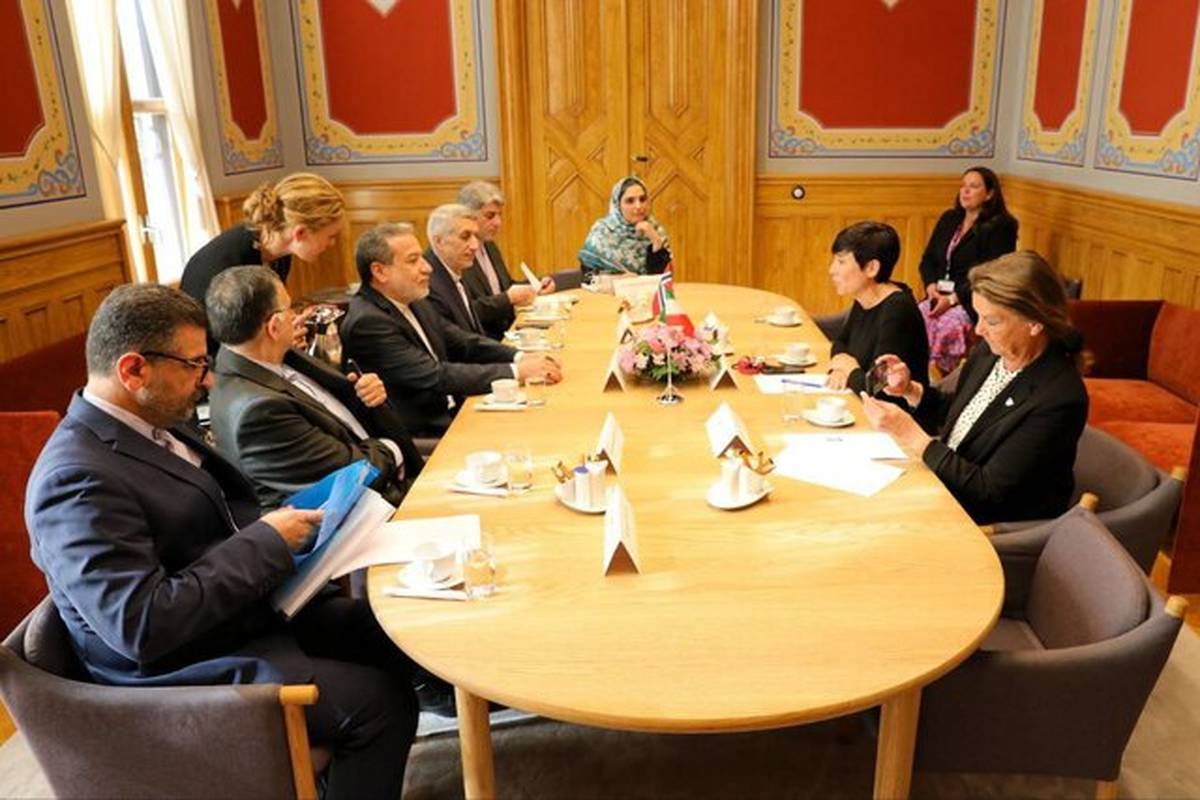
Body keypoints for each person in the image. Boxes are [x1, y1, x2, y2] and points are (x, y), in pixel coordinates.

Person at [24, 284, 417, 798]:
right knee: (379, 705)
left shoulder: (153, 421)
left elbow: (213, 523)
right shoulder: (74, 479)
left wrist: (288, 531)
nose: (207, 379)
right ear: (134, 370)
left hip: (230, 617)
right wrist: (268, 542)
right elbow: (140, 626)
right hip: (178, 673)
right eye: (193, 364)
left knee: (386, 631)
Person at [861, 251, 1088, 525]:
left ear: (1035, 323)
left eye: (991, 321)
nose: (979, 330)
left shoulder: (1059, 397)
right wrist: (911, 390)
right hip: (945, 488)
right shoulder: (991, 353)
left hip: (989, 526)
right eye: (978, 316)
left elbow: (988, 490)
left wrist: (912, 435)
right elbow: (963, 415)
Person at [205, 266, 423, 509]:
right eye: (290, 309)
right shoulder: (258, 412)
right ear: (274, 326)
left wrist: (369, 395)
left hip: (391, 475)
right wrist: (392, 449)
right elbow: (355, 474)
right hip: (367, 510)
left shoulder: (274, 356)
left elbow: (344, 405)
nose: (296, 317)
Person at [340, 222, 563, 437]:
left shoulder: (412, 299)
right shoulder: (368, 322)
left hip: (455, 411)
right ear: (379, 272)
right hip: (426, 433)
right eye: (413, 260)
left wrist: (520, 356)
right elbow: (434, 375)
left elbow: (463, 342)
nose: (427, 267)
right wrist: (517, 372)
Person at [181, 172, 345, 353]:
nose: (332, 243)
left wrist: (293, 321)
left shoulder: (280, 251)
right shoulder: (227, 268)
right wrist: (280, 341)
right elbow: (229, 346)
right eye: (331, 236)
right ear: (300, 233)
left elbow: (262, 319)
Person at [917, 166, 1018, 373]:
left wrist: (953, 299)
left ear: (989, 194)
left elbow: (989, 275)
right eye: (963, 186)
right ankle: (920, 375)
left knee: (947, 327)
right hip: (938, 295)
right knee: (915, 318)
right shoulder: (949, 218)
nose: (965, 191)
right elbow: (927, 260)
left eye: (973, 187)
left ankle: (944, 378)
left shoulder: (1001, 226)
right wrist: (931, 286)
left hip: (971, 300)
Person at [825, 221, 929, 394]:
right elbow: (841, 343)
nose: (831, 270)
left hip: (893, 408)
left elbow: (879, 387)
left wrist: (850, 371)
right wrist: (839, 368)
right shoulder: (864, 297)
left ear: (871, 268)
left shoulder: (898, 310)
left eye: (841, 262)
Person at [457, 182, 555, 339]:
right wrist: (508, 298)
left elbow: (505, 287)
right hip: (485, 339)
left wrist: (534, 288)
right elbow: (467, 311)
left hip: (509, 330)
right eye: (490, 216)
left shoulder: (489, 246)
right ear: (468, 216)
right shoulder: (459, 255)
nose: (498, 223)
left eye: (499, 215)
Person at [425, 203, 537, 339]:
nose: (475, 245)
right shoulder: (429, 284)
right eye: (465, 237)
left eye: (475, 237)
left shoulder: (455, 270)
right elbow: (460, 343)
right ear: (439, 242)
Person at [579, 175, 672, 276]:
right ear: (617, 205)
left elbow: (662, 278)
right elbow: (588, 276)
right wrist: (618, 278)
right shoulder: (602, 231)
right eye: (630, 201)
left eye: (642, 199)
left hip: (647, 287)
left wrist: (656, 240)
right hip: (610, 286)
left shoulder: (655, 228)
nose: (638, 206)